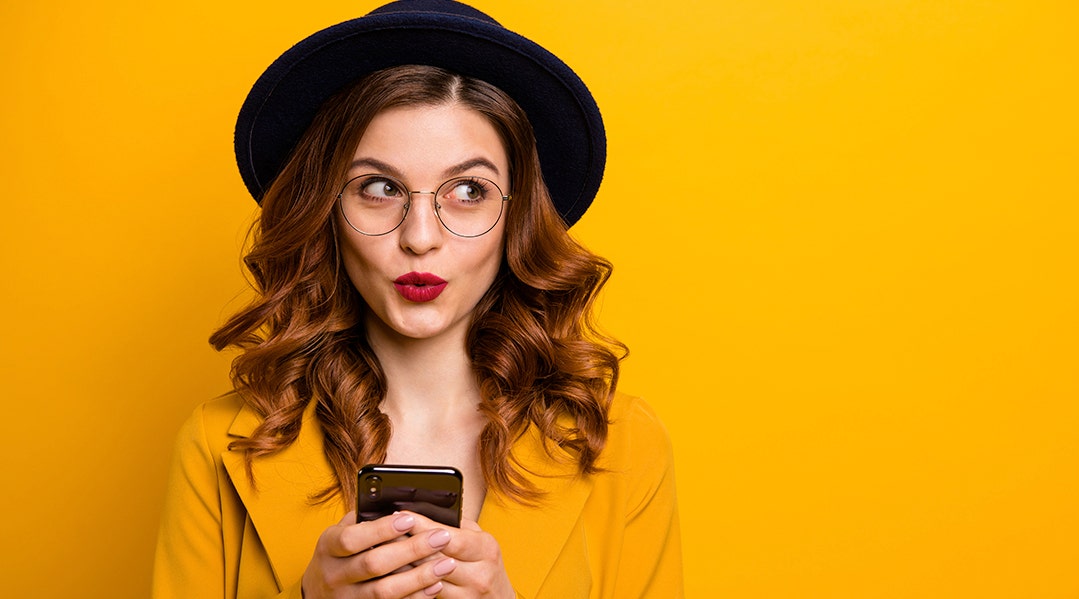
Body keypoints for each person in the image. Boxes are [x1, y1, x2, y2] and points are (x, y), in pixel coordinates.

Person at [151, 1, 682, 598]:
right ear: (328, 211)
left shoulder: (620, 444)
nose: (420, 237)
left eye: (468, 191)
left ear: (518, 220)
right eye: (379, 188)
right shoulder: (219, 442)